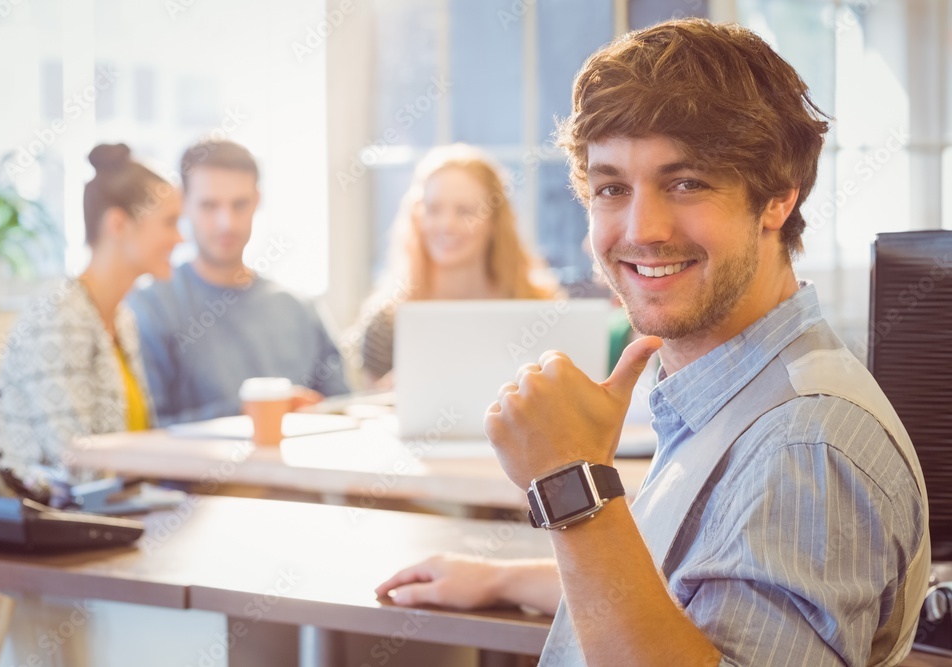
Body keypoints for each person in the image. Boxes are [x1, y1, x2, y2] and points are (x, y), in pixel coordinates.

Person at [377, 18, 929, 666]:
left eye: (686, 182)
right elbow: (680, 593)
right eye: (612, 187)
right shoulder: (735, 387)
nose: (642, 229)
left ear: (777, 198)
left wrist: (570, 484)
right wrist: (501, 576)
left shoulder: (804, 444)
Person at [127, 140, 348, 426]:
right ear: (183, 204)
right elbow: (150, 430)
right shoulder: (152, 308)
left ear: (257, 200)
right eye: (209, 205)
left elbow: (343, 409)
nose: (226, 223)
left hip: (296, 469)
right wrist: (258, 412)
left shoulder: (299, 309)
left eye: (239, 204)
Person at [0, 143, 182, 479]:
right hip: (60, 520)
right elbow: (75, 463)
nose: (179, 238)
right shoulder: (58, 315)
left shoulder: (121, 318)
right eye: (169, 222)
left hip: (118, 512)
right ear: (119, 224)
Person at [354, 143, 559, 388]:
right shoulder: (387, 323)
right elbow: (369, 415)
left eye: (465, 211)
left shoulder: (540, 311)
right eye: (433, 209)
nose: (447, 225)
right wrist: (387, 398)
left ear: (494, 221)